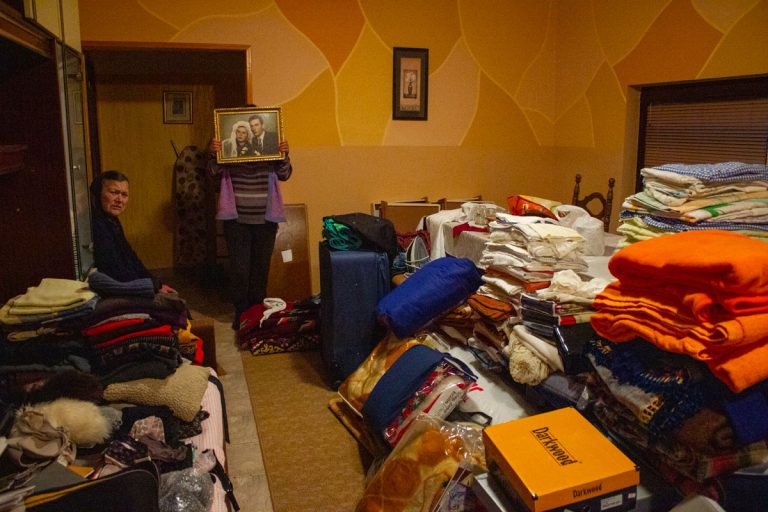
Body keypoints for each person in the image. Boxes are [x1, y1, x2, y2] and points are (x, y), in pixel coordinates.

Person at [208, 131, 292, 329]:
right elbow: (213, 173)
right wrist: (213, 154)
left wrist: (284, 154)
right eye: (241, 129)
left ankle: (255, 313)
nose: (245, 133)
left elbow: (285, 174)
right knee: (240, 269)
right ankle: (241, 313)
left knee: (260, 269)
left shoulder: (269, 147)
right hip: (236, 220)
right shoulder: (228, 148)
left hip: (266, 219)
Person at [90, 170, 164, 291]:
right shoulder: (96, 224)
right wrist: (152, 286)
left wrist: (154, 282)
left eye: (124, 195)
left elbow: (129, 255)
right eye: (114, 192)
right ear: (98, 194)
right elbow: (114, 270)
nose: (119, 200)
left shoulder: (111, 220)